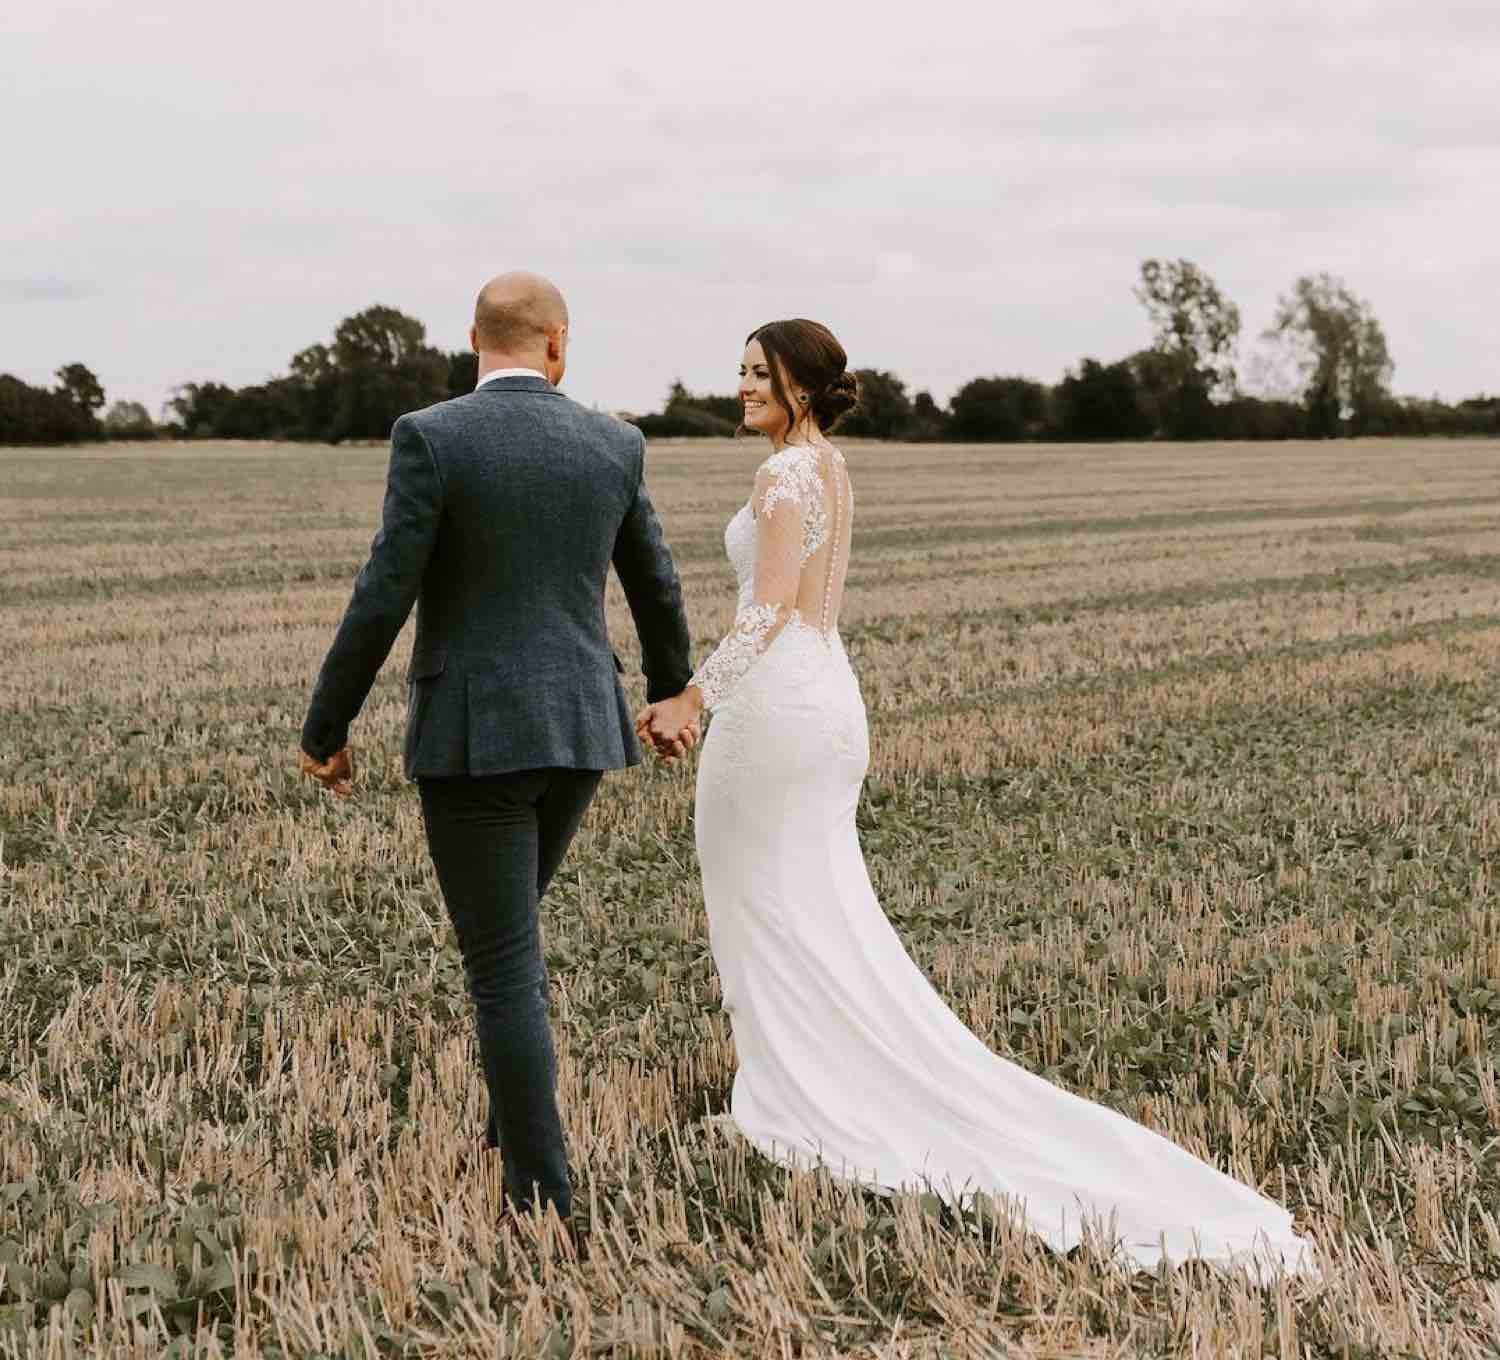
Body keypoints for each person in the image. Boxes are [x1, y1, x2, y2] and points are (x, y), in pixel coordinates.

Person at [636, 318, 1317, 1281]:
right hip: (826, 696)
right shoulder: (829, 467)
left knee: (770, 903)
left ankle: (795, 1098)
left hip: (777, 709)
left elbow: (768, 610)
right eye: (740, 370)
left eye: (760, 373)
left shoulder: (785, 476)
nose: (742, 385)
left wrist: (694, 697)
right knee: (815, 901)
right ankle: (796, 1075)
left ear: (800, 386)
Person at [299, 271, 695, 1232]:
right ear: (558, 341)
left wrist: (327, 725)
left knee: (505, 967)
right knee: (509, 941)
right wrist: (669, 687)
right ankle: (510, 1133)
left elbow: (384, 590)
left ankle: (541, 1196)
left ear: (474, 336)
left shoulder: (432, 436)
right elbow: (654, 579)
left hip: (476, 740)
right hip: (580, 734)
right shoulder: (615, 442)